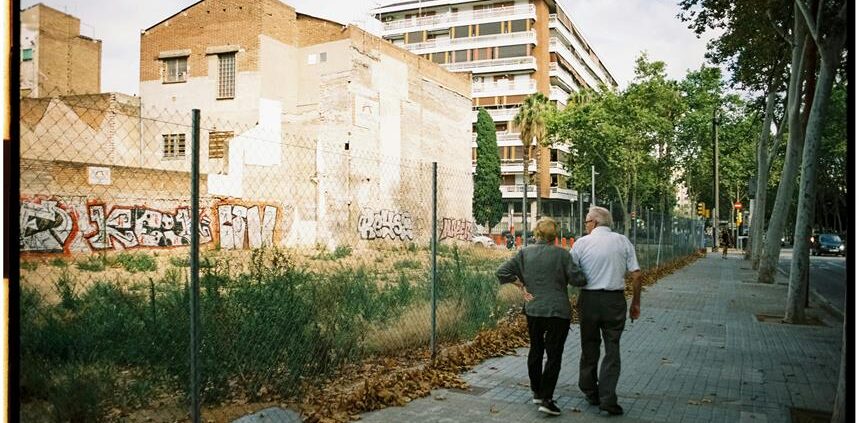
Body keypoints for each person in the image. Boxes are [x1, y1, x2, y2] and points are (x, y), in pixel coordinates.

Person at [496, 217, 587, 416]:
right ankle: (547, 398)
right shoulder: (563, 255)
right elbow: (578, 279)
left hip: (534, 309)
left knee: (536, 350)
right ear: (554, 235)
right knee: (554, 355)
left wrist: (520, 284)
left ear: (536, 233)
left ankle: (537, 391)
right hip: (557, 311)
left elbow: (501, 272)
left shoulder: (525, 253)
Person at [569, 206, 641, 416]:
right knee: (612, 349)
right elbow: (636, 275)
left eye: (587, 222)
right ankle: (608, 398)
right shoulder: (622, 241)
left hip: (589, 300)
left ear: (595, 223)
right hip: (614, 301)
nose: (585, 226)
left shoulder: (582, 243)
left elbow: (569, 270)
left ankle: (590, 390)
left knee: (589, 345)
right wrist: (636, 303)